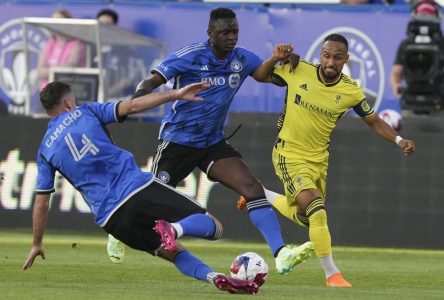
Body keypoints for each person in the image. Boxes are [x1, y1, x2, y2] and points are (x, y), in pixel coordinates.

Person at [107, 7, 314, 275]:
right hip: (178, 142)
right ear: (210, 33)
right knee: (148, 199)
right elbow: (152, 80)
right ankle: (117, 232)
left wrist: (278, 59)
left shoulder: (241, 58)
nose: (231, 37)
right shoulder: (190, 55)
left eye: (235, 32)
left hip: (211, 142)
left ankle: (281, 254)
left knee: (251, 187)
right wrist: (136, 100)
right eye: (225, 32)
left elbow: (262, 75)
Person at [22, 80, 260, 295]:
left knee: (174, 253)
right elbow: (133, 106)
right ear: (68, 101)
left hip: (111, 219)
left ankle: (216, 278)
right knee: (215, 227)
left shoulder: (45, 149)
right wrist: (175, 94)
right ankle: (175, 229)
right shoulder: (87, 111)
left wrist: (36, 243)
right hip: (137, 189)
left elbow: (42, 201)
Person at [244, 33, 416, 288]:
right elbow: (259, 75)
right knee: (316, 208)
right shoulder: (297, 69)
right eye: (327, 55)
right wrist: (275, 57)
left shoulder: (350, 91)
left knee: (307, 217)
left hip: (318, 161)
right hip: (288, 153)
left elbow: (374, 121)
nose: (330, 62)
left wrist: (399, 140)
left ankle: (259, 193)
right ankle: (332, 275)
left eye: (337, 57)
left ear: (346, 59)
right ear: (320, 55)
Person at [390, 0, 441, 99]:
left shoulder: (406, 45)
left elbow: (396, 72)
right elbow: (396, 73)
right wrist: (396, 86)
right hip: (412, 97)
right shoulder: (406, 45)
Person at [37, 9, 86, 91]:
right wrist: (57, 71)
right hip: (46, 93)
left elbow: (70, 67)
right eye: (52, 22)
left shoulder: (76, 44)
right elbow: (39, 72)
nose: (54, 25)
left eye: (57, 22)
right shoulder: (49, 44)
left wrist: (49, 71)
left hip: (65, 93)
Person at [95, 8, 135, 99]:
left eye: (108, 24)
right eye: (100, 24)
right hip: (94, 99)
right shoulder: (91, 48)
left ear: (115, 26)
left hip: (118, 101)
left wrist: (107, 94)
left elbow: (127, 79)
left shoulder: (125, 51)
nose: (103, 27)